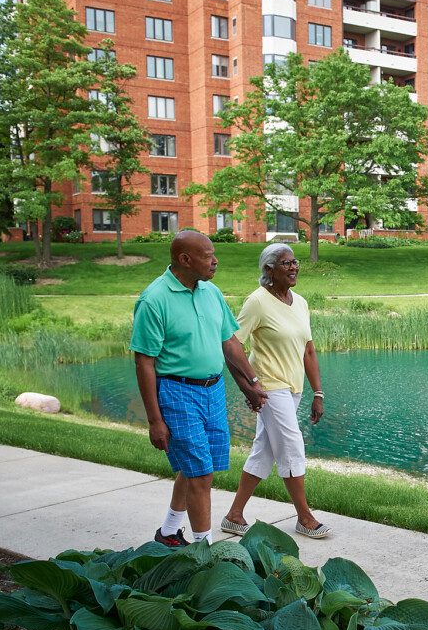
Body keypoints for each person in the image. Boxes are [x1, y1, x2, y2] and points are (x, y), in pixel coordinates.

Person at [130, 230, 267, 546]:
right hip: (177, 392)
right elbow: (144, 364)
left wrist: (252, 382)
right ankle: (204, 549)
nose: (215, 261)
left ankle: (168, 532)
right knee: (200, 473)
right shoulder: (154, 300)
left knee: (197, 467)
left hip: (213, 390)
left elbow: (230, 342)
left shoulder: (211, 292)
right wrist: (154, 420)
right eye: (208, 255)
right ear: (185, 259)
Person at [221, 243, 330, 539]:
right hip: (269, 388)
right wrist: (250, 385)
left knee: (264, 451)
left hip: (293, 389)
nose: (294, 267)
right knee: (292, 447)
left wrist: (317, 393)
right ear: (269, 270)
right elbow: (231, 343)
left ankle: (233, 515)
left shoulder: (301, 302)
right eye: (285, 263)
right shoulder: (257, 301)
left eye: (295, 262)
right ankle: (304, 517)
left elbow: (308, 350)